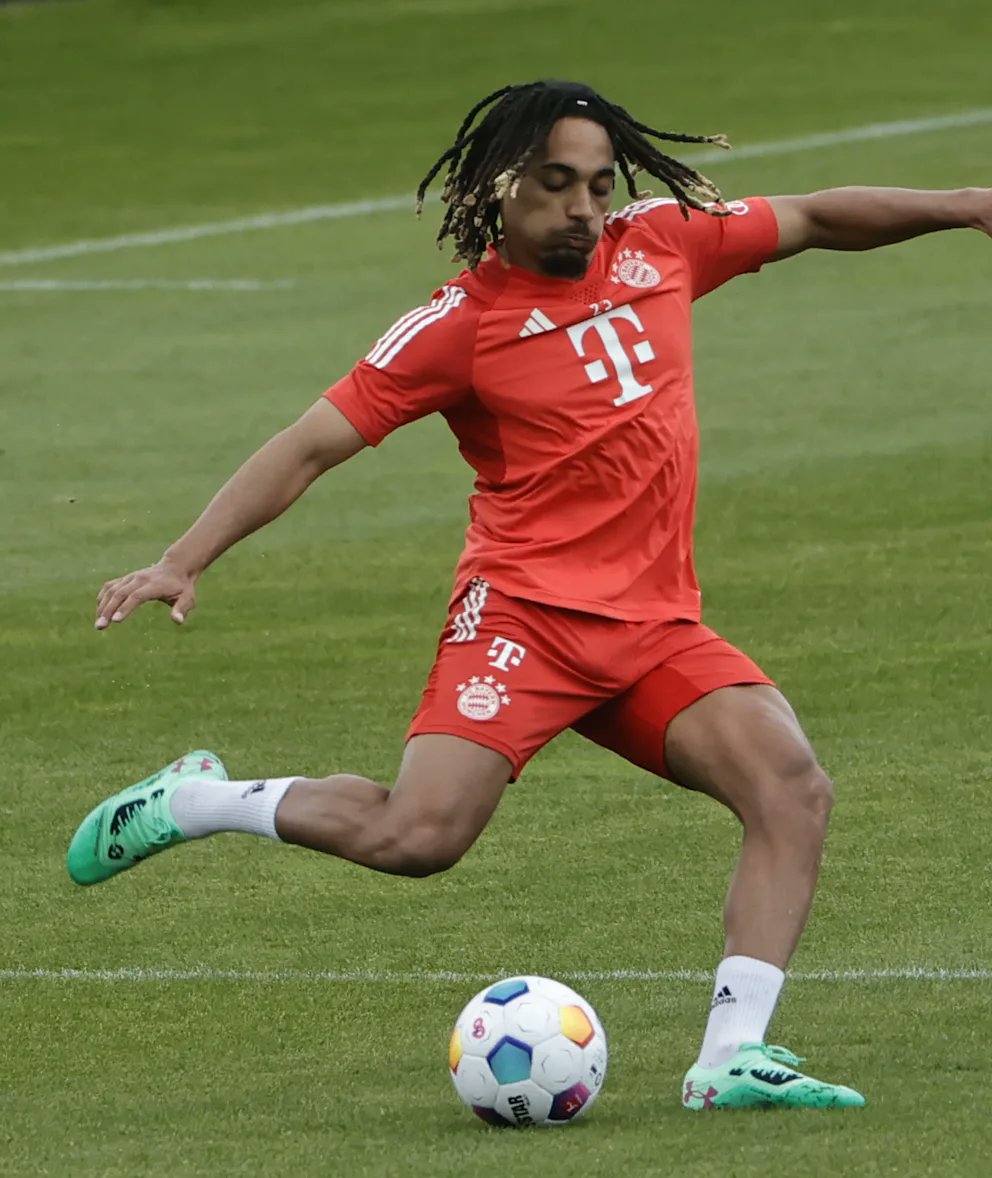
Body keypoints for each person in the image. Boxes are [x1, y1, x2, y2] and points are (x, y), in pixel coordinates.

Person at [67, 79, 990, 1111]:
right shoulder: (455, 327)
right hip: (522, 623)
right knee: (416, 838)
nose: (583, 206)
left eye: (598, 183)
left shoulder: (662, 244)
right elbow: (310, 443)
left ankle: (731, 1053)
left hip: (651, 629)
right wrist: (182, 558)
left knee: (789, 787)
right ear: (503, 188)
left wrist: (966, 201)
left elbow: (815, 217)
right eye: (557, 183)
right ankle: (197, 798)